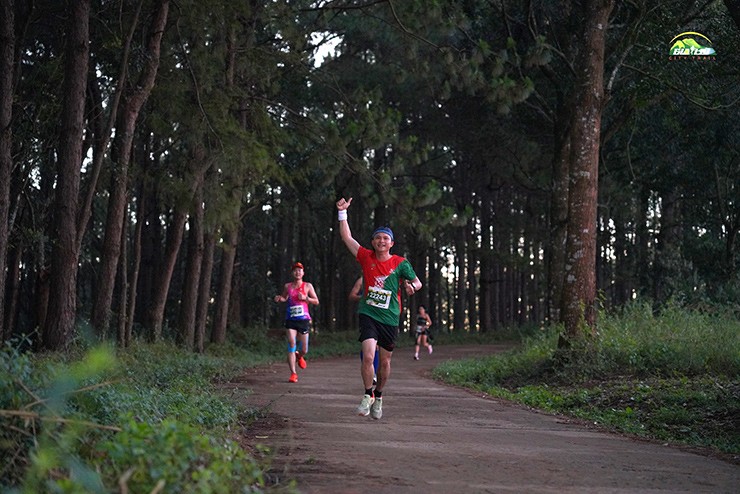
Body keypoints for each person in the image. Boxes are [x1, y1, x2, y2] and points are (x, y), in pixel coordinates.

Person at [336, 197, 422, 420]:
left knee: (385, 362)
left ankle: (380, 395)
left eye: (386, 238)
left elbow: (418, 283)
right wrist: (343, 213)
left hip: (390, 317)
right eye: (378, 238)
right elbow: (347, 237)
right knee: (368, 356)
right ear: (373, 242)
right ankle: (367, 394)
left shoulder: (401, 263)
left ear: (391, 243)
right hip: (369, 314)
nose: (381, 241)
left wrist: (411, 287)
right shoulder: (365, 257)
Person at [274, 262, 319, 383]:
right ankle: (293, 373)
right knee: (291, 342)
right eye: (295, 270)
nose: (297, 272)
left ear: (303, 273)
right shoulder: (287, 286)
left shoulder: (307, 286)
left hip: (303, 320)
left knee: (304, 349)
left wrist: (306, 298)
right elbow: (284, 298)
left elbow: (316, 301)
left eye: (300, 270)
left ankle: (300, 356)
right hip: (291, 319)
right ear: (292, 273)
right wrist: (280, 299)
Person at [349, 277, 379, 385]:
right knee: (369, 344)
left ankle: (373, 370)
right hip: (366, 315)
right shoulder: (362, 280)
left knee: (377, 346)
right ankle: (371, 371)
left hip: (382, 315)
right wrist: (363, 297)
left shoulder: (385, 277)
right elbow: (352, 296)